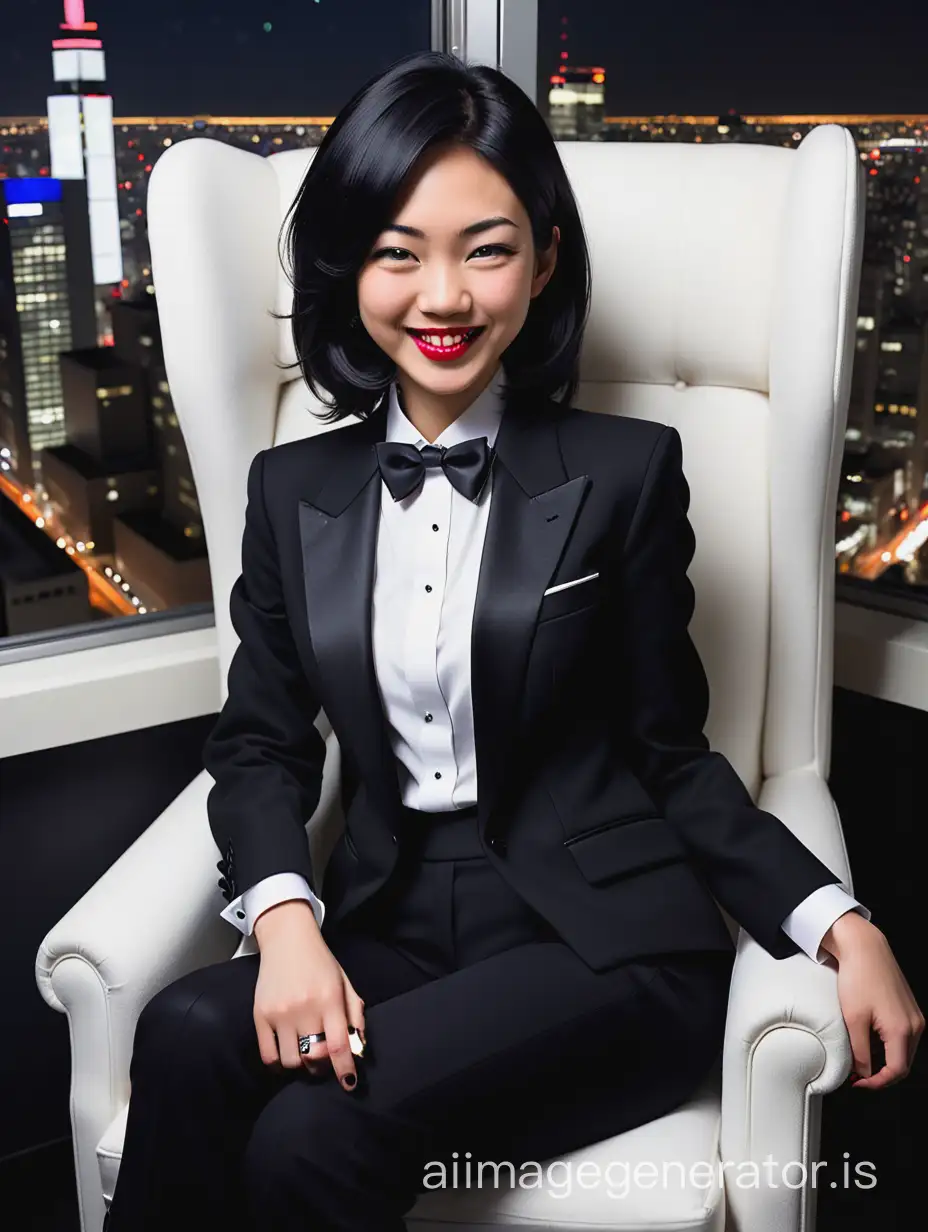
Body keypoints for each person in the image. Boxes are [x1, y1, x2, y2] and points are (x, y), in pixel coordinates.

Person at [105, 49, 923, 1232]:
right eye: (398, 251)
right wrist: (285, 919)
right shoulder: (293, 490)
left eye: (485, 248)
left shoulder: (623, 473)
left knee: (311, 1135)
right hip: (390, 918)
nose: (443, 296)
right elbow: (259, 744)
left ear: (542, 259)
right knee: (183, 1029)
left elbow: (673, 753)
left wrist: (843, 922)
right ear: (350, 268)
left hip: (604, 940)